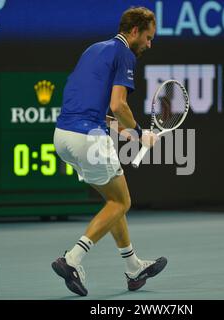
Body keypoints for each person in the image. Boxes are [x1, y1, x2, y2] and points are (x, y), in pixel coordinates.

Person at [51, 7, 167, 296]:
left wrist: (130, 135)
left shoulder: (94, 50)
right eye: (149, 38)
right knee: (122, 202)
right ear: (135, 31)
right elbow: (118, 105)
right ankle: (72, 259)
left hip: (62, 136)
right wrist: (140, 133)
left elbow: (103, 112)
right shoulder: (125, 54)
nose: (149, 45)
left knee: (114, 200)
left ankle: (133, 268)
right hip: (87, 138)